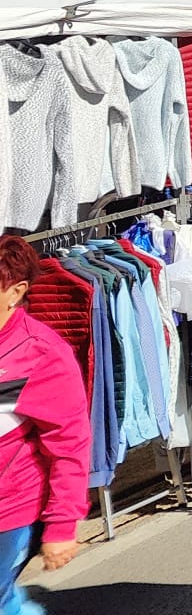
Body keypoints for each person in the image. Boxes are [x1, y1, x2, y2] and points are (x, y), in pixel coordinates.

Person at [0, 236, 88, 609]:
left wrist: (61, 526)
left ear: (15, 292)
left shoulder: (40, 352)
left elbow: (70, 444)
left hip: (9, 512)